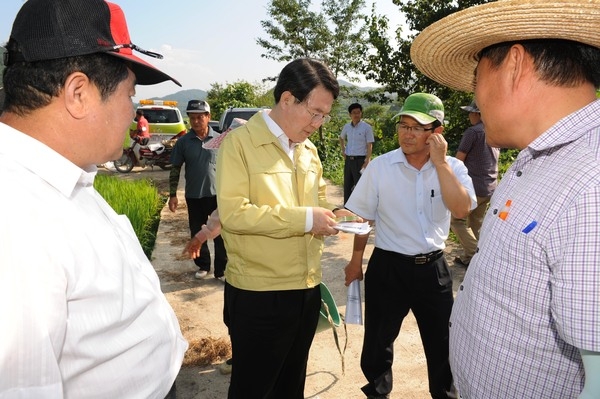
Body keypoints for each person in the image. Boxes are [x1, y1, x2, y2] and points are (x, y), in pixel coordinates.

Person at [410, 1, 600, 398]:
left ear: (514, 64)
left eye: (477, 78)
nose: (476, 98)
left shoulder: (590, 183)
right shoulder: (536, 159)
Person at [0, 0, 187, 397]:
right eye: (129, 95)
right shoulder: (14, 214)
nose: (131, 112)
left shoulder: (61, 176)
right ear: (79, 93)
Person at [216, 58, 359, 399]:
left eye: (325, 116)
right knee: (254, 389)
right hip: (259, 294)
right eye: (314, 113)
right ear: (287, 99)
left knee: (291, 386)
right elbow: (234, 214)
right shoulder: (239, 144)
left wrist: (335, 215)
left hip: (306, 289)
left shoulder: (308, 151)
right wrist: (306, 219)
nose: (319, 123)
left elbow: (317, 201)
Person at [343, 93, 476, 399]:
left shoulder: (454, 168)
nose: (407, 133)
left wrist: (440, 164)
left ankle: (444, 394)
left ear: (436, 132)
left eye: (417, 127)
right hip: (388, 267)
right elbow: (363, 216)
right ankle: (377, 392)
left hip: (433, 269)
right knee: (378, 339)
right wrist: (355, 261)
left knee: (442, 342)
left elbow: (460, 210)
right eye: (404, 125)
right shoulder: (381, 167)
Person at [168, 99, 227, 281]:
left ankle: (221, 270)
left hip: (218, 194)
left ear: (208, 117)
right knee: (197, 231)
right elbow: (175, 168)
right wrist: (172, 195)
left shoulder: (220, 139)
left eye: (200, 117)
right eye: (192, 118)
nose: (195, 121)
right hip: (194, 195)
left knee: (220, 233)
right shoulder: (183, 142)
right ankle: (203, 266)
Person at [450, 100, 499, 267]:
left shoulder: (472, 132)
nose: (469, 115)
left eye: (471, 112)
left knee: (456, 221)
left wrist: (450, 180)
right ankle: (481, 256)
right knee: (475, 223)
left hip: (474, 186)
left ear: (477, 114)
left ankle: (474, 254)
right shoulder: (493, 130)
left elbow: (459, 160)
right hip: (490, 186)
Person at [339, 102, 375, 204]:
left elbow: (369, 144)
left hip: (360, 161)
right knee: (347, 185)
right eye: (354, 113)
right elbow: (341, 138)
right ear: (350, 114)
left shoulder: (366, 127)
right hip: (349, 161)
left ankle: (360, 210)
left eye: (358, 112)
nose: (356, 115)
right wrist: (343, 150)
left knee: (360, 186)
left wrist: (367, 160)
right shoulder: (347, 127)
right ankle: (347, 208)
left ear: (361, 113)